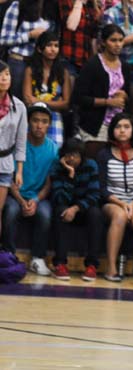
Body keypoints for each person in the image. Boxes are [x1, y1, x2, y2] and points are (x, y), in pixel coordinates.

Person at [97, 113, 133, 282]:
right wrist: (121, 203)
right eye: (118, 127)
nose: (122, 131)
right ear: (112, 130)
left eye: (126, 127)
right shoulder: (104, 155)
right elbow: (101, 189)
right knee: (120, 216)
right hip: (112, 201)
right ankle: (111, 268)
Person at [3, 102, 57, 276]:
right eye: (35, 120)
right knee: (10, 210)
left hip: (38, 196)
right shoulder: (16, 144)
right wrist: (20, 200)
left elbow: (49, 183)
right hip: (14, 194)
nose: (39, 125)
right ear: (27, 122)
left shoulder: (53, 149)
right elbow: (8, 178)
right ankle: (8, 254)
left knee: (46, 214)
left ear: (49, 124)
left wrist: (35, 200)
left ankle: (37, 258)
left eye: (44, 121)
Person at [73, 24, 131, 159]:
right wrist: (108, 102)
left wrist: (125, 95)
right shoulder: (93, 65)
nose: (118, 44)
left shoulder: (125, 66)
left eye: (120, 40)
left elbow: (128, 95)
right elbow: (78, 97)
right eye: (113, 40)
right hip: (95, 123)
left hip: (118, 124)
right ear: (104, 42)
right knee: (96, 162)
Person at [49, 138, 102, 281]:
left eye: (76, 155)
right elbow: (59, 197)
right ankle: (60, 264)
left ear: (82, 156)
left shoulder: (91, 165)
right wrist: (70, 176)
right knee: (60, 209)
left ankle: (92, 265)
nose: (72, 158)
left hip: (83, 208)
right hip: (65, 208)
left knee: (96, 213)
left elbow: (95, 195)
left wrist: (76, 208)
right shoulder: (57, 166)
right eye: (68, 154)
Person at [23, 31, 71, 147]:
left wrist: (38, 101)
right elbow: (27, 99)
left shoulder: (63, 72)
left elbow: (66, 103)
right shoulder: (31, 70)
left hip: (55, 117)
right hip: (34, 117)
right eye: (49, 45)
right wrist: (55, 103)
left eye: (56, 46)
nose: (53, 49)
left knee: (55, 150)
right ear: (40, 49)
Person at [0, 61, 27, 248]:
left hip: (5, 163)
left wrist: (19, 170)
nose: (4, 78)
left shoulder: (19, 107)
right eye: (1, 74)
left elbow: (21, 142)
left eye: (7, 74)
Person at [0, 0, 50, 100]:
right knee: (15, 99)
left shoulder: (46, 6)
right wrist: (29, 35)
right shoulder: (17, 5)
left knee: (33, 100)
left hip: (38, 62)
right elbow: (4, 39)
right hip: (18, 61)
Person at [58, 0, 103, 78]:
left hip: (86, 60)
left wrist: (96, 62)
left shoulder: (93, 5)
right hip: (69, 57)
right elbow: (71, 25)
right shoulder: (67, 2)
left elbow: (93, 37)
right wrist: (79, 2)